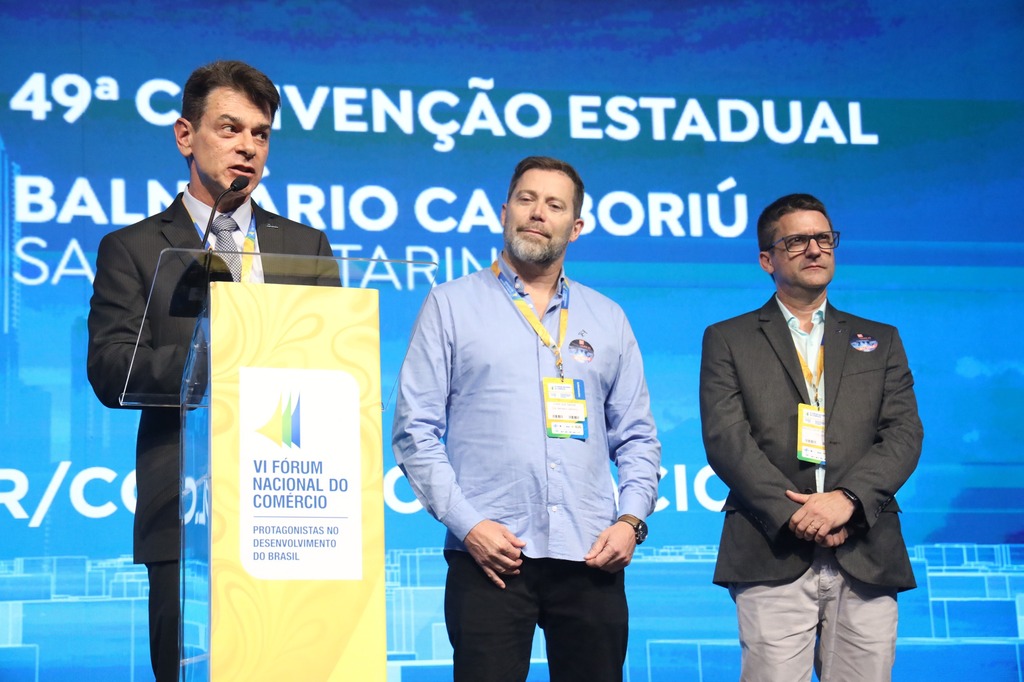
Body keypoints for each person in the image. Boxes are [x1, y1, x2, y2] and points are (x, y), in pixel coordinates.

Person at [87, 60, 334, 681]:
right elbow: (111, 368)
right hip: (186, 508)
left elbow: (333, 367)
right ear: (185, 136)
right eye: (230, 129)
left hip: (295, 509)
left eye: (261, 133)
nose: (248, 147)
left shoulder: (306, 248)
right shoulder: (136, 248)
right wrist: (219, 353)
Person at [392, 156, 661, 682]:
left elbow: (637, 438)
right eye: (526, 199)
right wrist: (468, 526)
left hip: (592, 555)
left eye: (555, 205)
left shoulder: (607, 317)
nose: (538, 213)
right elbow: (413, 431)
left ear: (576, 227)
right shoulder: (450, 304)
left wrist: (630, 521)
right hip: (490, 557)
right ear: (504, 211)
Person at [699, 193, 924, 681]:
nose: (815, 249)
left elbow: (904, 433)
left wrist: (847, 500)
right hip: (771, 545)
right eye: (797, 240)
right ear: (767, 259)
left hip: (866, 545)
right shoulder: (729, 338)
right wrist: (797, 514)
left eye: (824, 238)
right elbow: (726, 440)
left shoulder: (879, 339)